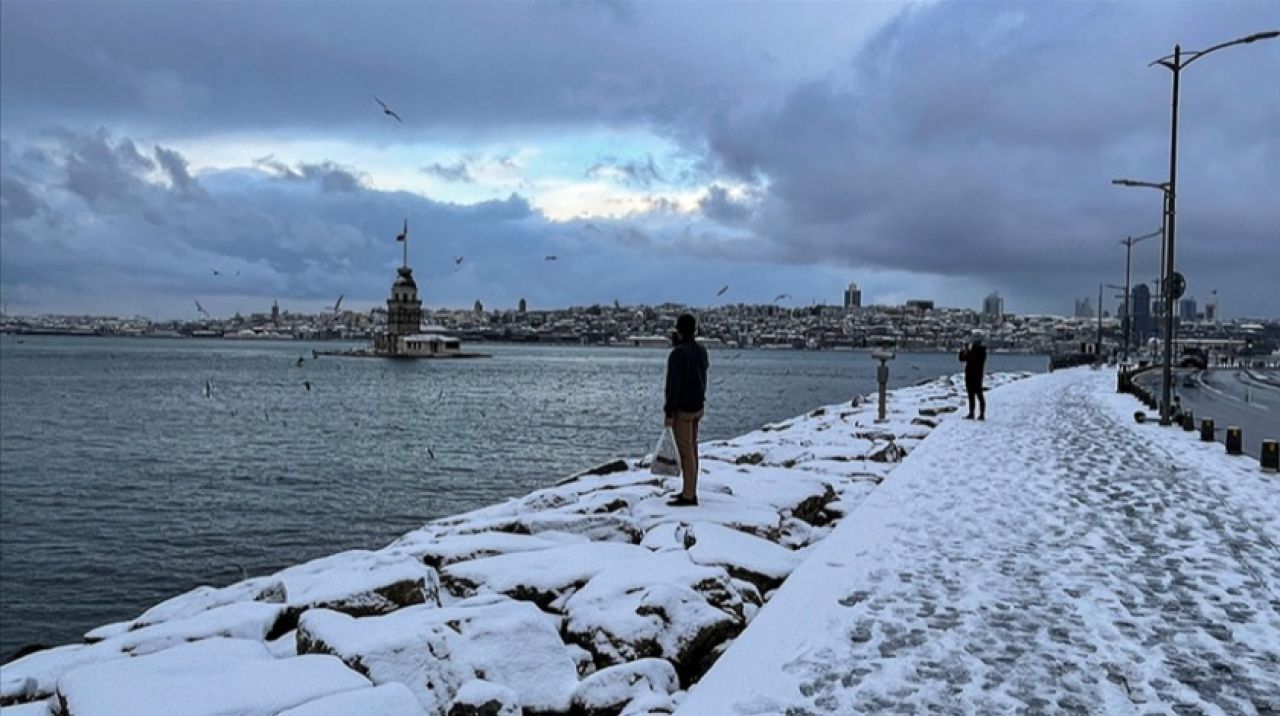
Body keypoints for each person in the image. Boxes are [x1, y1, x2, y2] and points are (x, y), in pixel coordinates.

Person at [664, 313, 709, 506]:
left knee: (686, 451)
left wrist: (669, 412)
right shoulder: (701, 351)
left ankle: (689, 494)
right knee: (693, 448)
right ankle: (690, 489)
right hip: (698, 406)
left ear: (678, 330)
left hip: (682, 409)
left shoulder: (678, 354)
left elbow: (673, 385)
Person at [959, 332, 987, 420]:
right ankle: (976, 414)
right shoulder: (982, 352)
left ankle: (975, 414)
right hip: (975, 376)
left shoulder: (977, 352)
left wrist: (965, 349)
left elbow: (963, 358)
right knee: (976, 395)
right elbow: (962, 358)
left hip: (973, 375)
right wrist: (965, 350)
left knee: (976, 395)